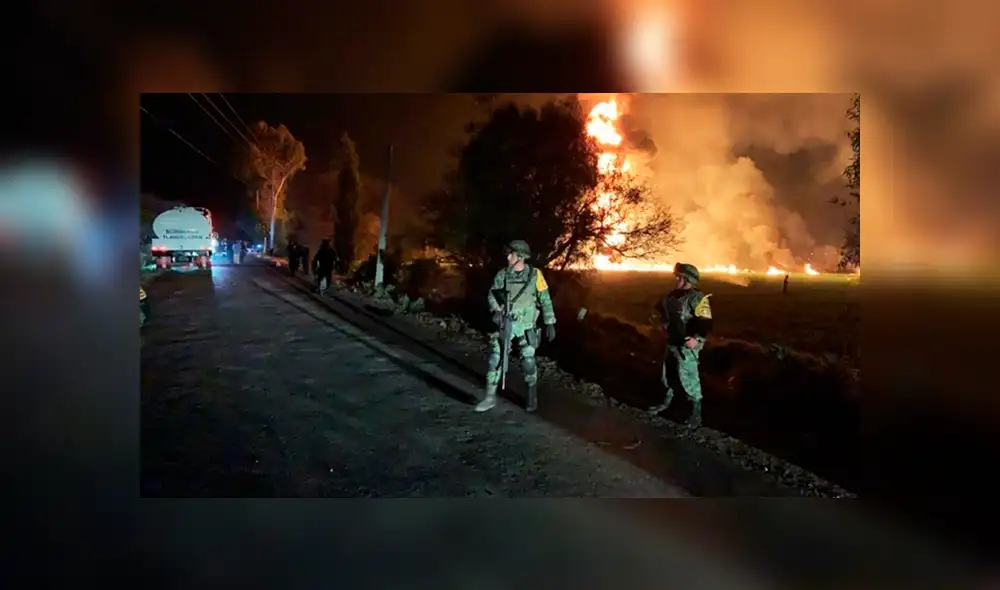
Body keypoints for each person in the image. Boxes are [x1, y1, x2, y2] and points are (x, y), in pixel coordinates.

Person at [475, 239, 556, 413]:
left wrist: (550, 322)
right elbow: (492, 295)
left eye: (511, 254)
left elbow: (545, 299)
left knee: (528, 361)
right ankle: (489, 397)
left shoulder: (535, 275)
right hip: (506, 322)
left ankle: (531, 395)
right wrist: (497, 311)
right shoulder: (502, 274)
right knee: (495, 358)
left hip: (526, 326)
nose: (508, 257)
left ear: (520, 256)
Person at [649, 262, 713, 428]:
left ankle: (695, 415)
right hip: (672, 342)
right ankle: (666, 404)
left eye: (679, 277)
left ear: (687, 279)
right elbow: (658, 311)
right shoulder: (671, 296)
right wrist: (659, 323)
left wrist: (696, 338)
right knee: (667, 375)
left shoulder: (697, 298)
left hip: (687, 346)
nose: (676, 279)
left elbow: (705, 322)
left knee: (689, 379)